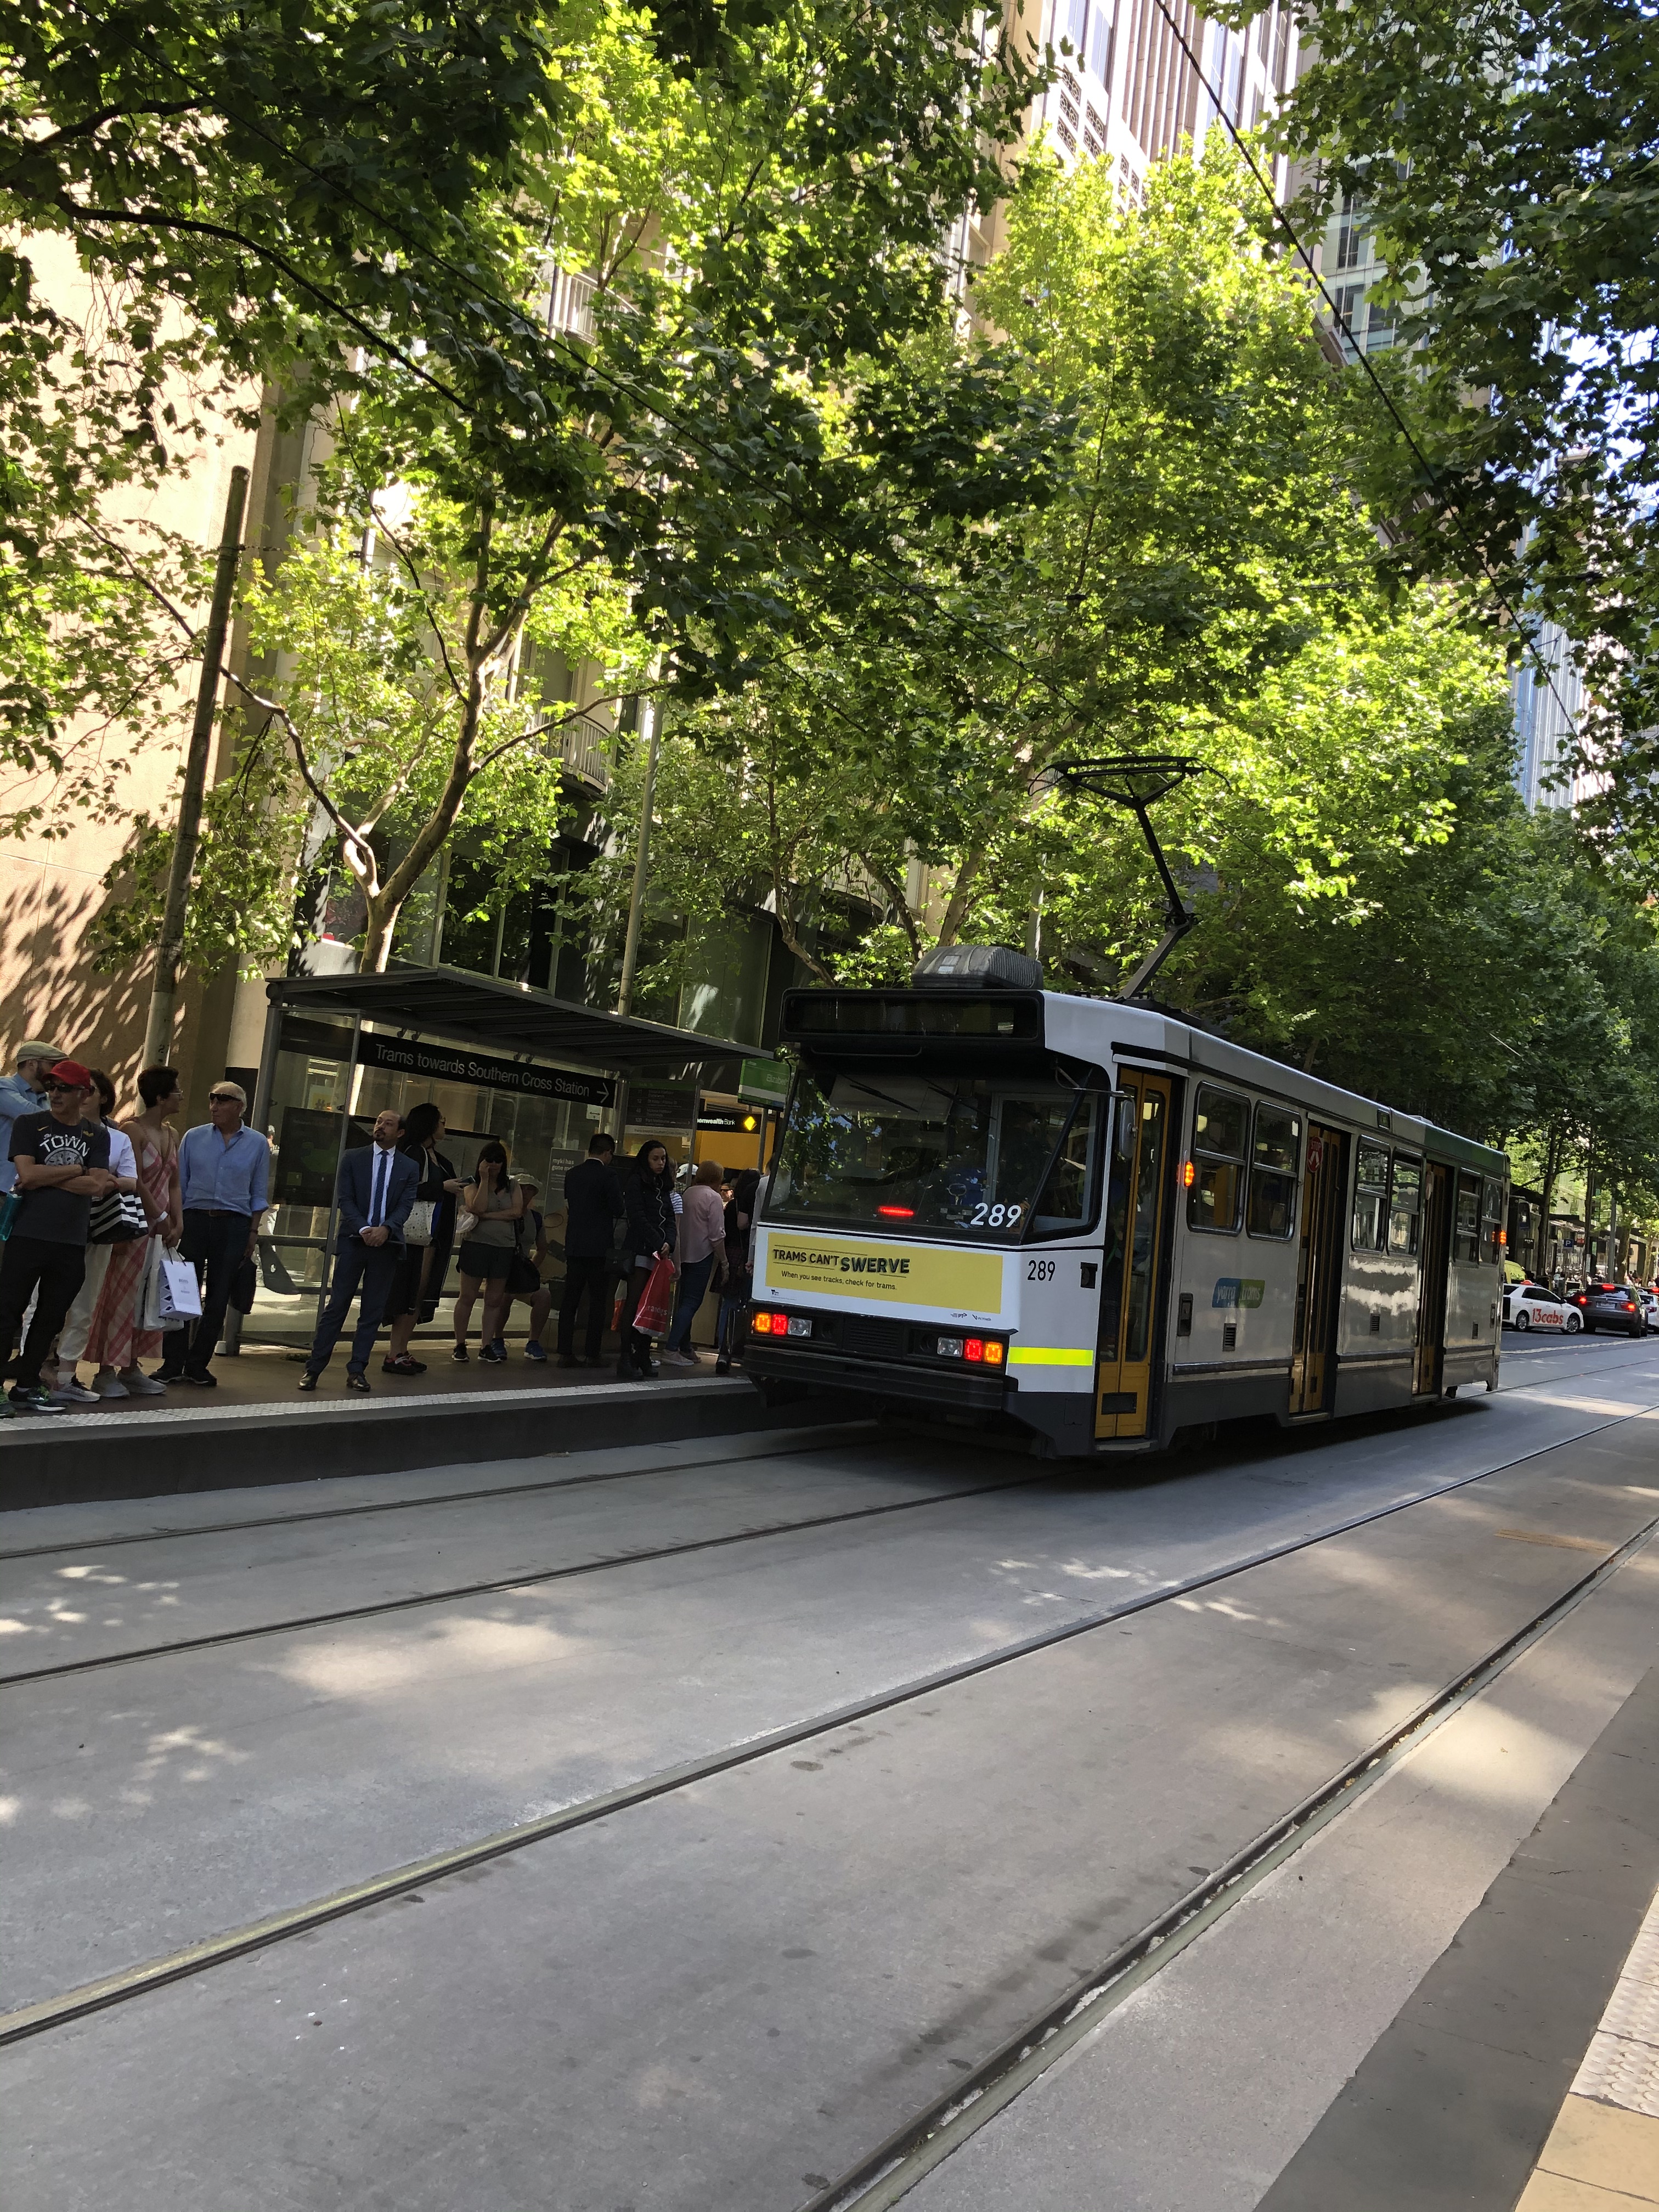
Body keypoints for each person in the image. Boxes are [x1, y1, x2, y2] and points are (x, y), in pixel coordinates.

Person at [0, 1059, 116, 1417]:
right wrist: (76, 1169)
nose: (55, 1094)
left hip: (71, 1241)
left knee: (50, 1319)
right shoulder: (30, 1124)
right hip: (27, 1234)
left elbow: (98, 1186)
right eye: (51, 1087)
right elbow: (27, 1175)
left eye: (64, 1088)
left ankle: (27, 1385)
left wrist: (47, 1175)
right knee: (7, 1313)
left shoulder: (97, 1135)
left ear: (84, 1094)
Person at [158, 1080, 270, 1387]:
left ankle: (198, 1365)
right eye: (212, 1099)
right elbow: (178, 1185)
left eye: (223, 1100)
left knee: (218, 1298)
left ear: (240, 1107)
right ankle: (172, 1364)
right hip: (194, 1220)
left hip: (233, 1225)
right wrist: (176, 1222)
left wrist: (253, 1231)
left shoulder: (257, 1143)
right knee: (183, 1294)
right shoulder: (194, 1137)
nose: (214, 1106)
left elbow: (259, 1191)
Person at [298, 1108, 418, 1393]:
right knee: (337, 1306)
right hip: (354, 1240)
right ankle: (313, 1369)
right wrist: (365, 1229)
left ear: (400, 1133)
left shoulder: (409, 1167)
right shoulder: (353, 1158)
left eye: (388, 1124)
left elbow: (406, 1205)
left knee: (372, 1311)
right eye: (379, 1121)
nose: (381, 1126)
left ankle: (357, 1371)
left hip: (386, 1245)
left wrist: (386, 1229)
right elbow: (345, 1198)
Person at [80, 1065, 182, 1398]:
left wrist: (178, 1221)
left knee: (147, 1296)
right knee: (120, 1295)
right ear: (160, 1097)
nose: (181, 1096)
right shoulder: (132, 1131)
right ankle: (106, 1370)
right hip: (133, 1223)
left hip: (161, 1229)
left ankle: (132, 1366)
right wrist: (160, 1215)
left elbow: (174, 1183)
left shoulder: (172, 1134)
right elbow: (135, 1179)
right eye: (176, 1090)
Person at [48, 1069, 142, 1404]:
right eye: (72, 1088)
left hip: (99, 1226)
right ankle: (35, 1371)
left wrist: (100, 1182)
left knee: (84, 1305)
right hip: (52, 1226)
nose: (82, 1095)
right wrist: (91, 1180)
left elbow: (131, 1181)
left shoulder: (115, 1138)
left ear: (103, 1097)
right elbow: (31, 1174)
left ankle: (66, 1375)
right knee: (39, 1302)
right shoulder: (47, 1129)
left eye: (89, 1089)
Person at [382, 1102, 465, 1375]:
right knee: (411, 1293)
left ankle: (402, 1350)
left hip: (432, 1234)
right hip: (417, 1236)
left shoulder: (434, 1156)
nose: (444, 1125)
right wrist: (442, 1187)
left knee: (419, 1294)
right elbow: (406, 1188)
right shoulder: (415, 1152)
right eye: (441, 1121)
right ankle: (395, 1353)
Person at [451, 1140, 526, 1363]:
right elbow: (477, 1207)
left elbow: (516, 1212)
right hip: (477, 1245)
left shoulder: (512, 1185)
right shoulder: (472, 1183)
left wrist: (488, 1216)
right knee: (468, 1296)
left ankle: (486, 1345)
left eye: (498, 1161)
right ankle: (460, 1344)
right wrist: (484, 1180)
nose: (494, 1165)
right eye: (489, 1160)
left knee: (494, 1300)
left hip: (504, 1247)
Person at [557, 1132, 624, 1368]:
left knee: (570, 1300)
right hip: (598, 1248)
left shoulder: (572, 1174)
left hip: (575, 1245)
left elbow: (569, 1204)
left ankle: (565, 1352)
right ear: (608, 1153)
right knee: (598, 1301)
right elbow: (618, 1208)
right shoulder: (609, 1175)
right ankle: (592, 1353)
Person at [618, 1139, 677, 1379]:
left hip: (659, 1253)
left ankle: (642, 1353)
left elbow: (670, 1217)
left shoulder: (663, 1185)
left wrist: (669, 1243)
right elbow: (637, 1217)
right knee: (635, 1303)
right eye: (656, 1159)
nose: (661, 1163)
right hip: (641, 1250)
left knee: (653, 1304)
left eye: (663, 1158)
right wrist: (658, 1242)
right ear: (645, 1159)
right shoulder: (636, 1182)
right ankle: (626, 1356)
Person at [662, 1160, 727, 1368]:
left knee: (684, 1302)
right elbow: (717, 1235)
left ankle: (685, 1346)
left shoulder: (688, 1193)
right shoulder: (714, 1198)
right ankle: (672, 1348)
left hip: (683, 1253)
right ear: (717, 1178)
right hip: (701, 1254)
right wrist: (724, 1262)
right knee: (692, 1302)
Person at [0, 1039, 64, 1195]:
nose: (57, 1073)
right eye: (52, 1065)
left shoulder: (47, 1100)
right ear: (32, 1064)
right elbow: (31, 1116)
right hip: (3, 1185)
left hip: (32, 1188)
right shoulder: (4, 1087)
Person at [714, 1167, 761, 1375]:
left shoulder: (733, 1205)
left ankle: (723, 1348)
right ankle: (740, 1348)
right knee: (747, 1303)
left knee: (729, 1304)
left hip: (732, 1255)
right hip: (748, 1256)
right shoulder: (758, 1201)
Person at [504, 1175, 554, 1359]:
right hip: (501, 1271)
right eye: (522, 1187)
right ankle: (496, 1339)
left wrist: (529, 1270)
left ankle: (533, 1342)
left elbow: (542, 1248)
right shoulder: (504, 1213)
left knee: (544, 1296)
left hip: (520, 1271)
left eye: (530, 1189)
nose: (525, 1192)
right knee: (503, 1295)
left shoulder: (536, 1218)